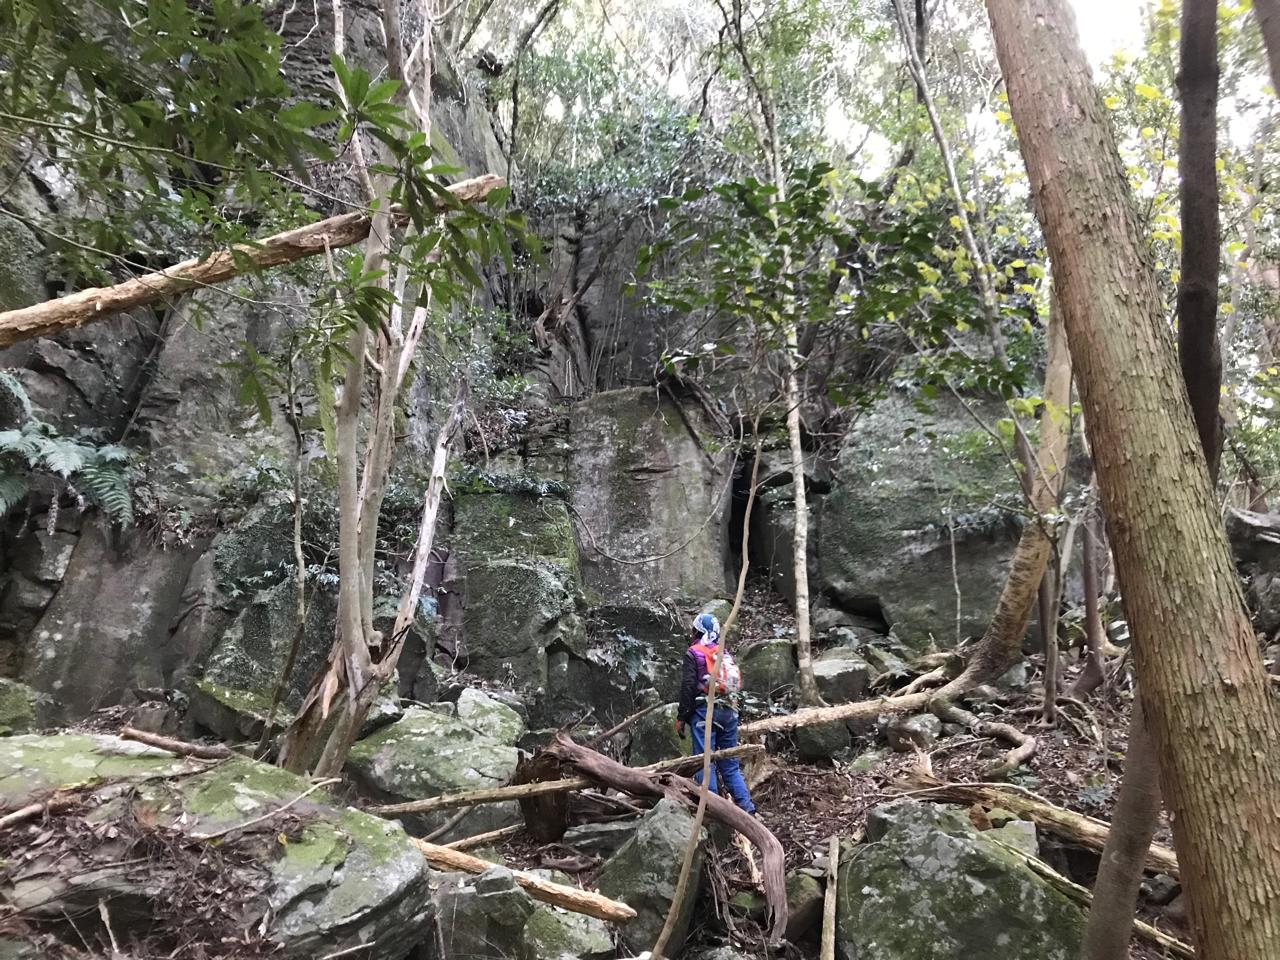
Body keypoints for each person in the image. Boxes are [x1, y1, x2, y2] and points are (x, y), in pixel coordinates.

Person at [675, 612, 756, 814]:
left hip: (706, 712)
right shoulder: (723, 653)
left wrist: (682, 717)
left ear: (697, 631)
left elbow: (688, 687)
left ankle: (710, 810)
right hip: (729, 711)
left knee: (705, 762)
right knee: (730, 766)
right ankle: (748, 809)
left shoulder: (694, 653)